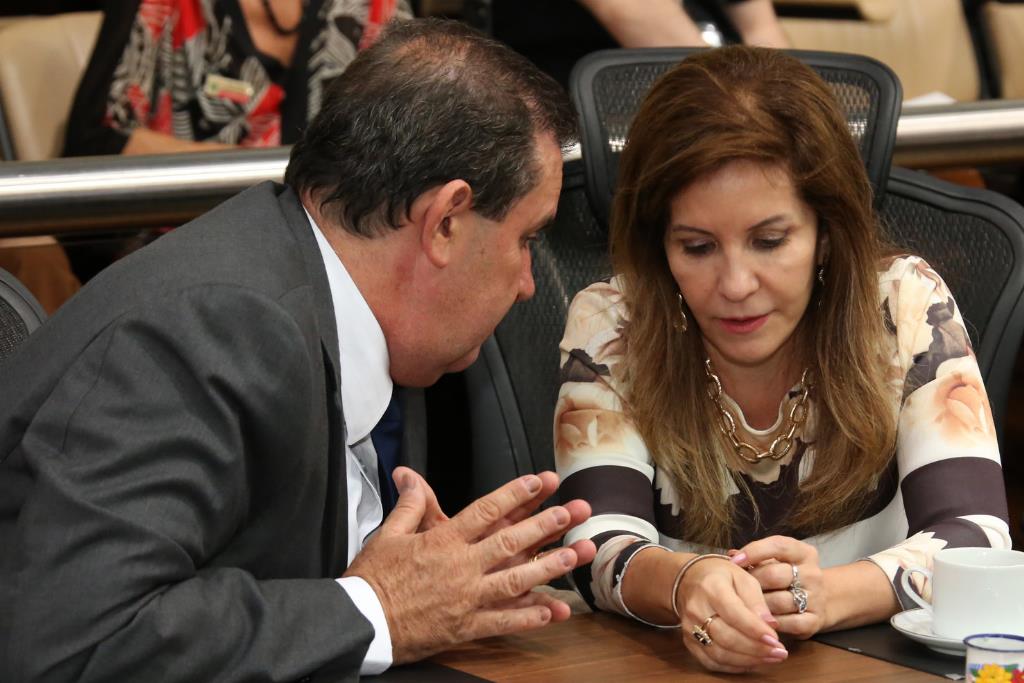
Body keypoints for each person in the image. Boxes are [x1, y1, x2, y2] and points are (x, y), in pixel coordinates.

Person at [0, 19, 597, 681]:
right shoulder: (219, 325)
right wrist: (379, 608)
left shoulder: (330, 295)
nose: (528, 283)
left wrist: (424, 578)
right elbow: (78, 641)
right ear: (446, 222)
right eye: (526, 239)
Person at [554, 46, 1010, 673]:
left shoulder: (904, 302)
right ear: (660, 246)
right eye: (697, 247)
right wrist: (687, 583)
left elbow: (978, 537)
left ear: (825, 232)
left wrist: (829, 595)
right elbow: (597, 545)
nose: (736, 284)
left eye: (769, 241)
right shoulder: (613, 323)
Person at [63, 0, 413, 156]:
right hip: (182, 233)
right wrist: (257, 178)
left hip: (336, 240)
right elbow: (96, 140)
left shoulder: (371, 5)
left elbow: (414, 133)